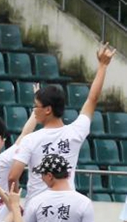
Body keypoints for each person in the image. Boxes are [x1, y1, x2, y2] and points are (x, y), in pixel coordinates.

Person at [9, 44, 116, 202]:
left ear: (48, 109)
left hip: (37, 208)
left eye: (36, 106)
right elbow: (92, 99)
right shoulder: (75, 132)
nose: (34, 110)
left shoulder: (30, 140)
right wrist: (103, 66)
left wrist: (16, 205)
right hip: (67, 205)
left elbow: (12, 177)